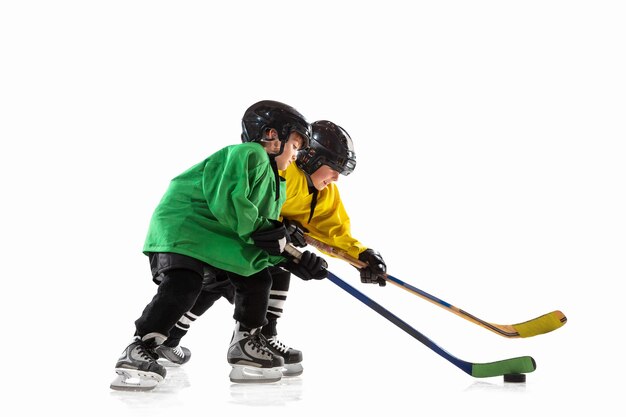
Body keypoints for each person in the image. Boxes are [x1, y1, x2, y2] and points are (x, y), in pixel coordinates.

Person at [110, 100, 328, 391]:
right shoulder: (248, 154)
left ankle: (245, 342)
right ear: (272, 136)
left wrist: (294, 258)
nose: (296, 154)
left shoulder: (278, 183)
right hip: (186, 227)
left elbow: (265, 237)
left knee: (258, 276)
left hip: (219, 238)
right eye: (295, 145)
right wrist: (276, 239)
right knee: (184, 283)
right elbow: (232, 202)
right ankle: (142, 345)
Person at [156, 119, 387, 377]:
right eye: (333, 168)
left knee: (221, 285)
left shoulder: (325, 194)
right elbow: (247, 201)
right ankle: (243, 339)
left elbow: (335, 233)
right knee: (221, 282)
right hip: (225, 234)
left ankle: (246, 336)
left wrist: (363, 258)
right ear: (310, 157)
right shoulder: (280, 169)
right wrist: (283, 229)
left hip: (252, 245)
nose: (336, 178)